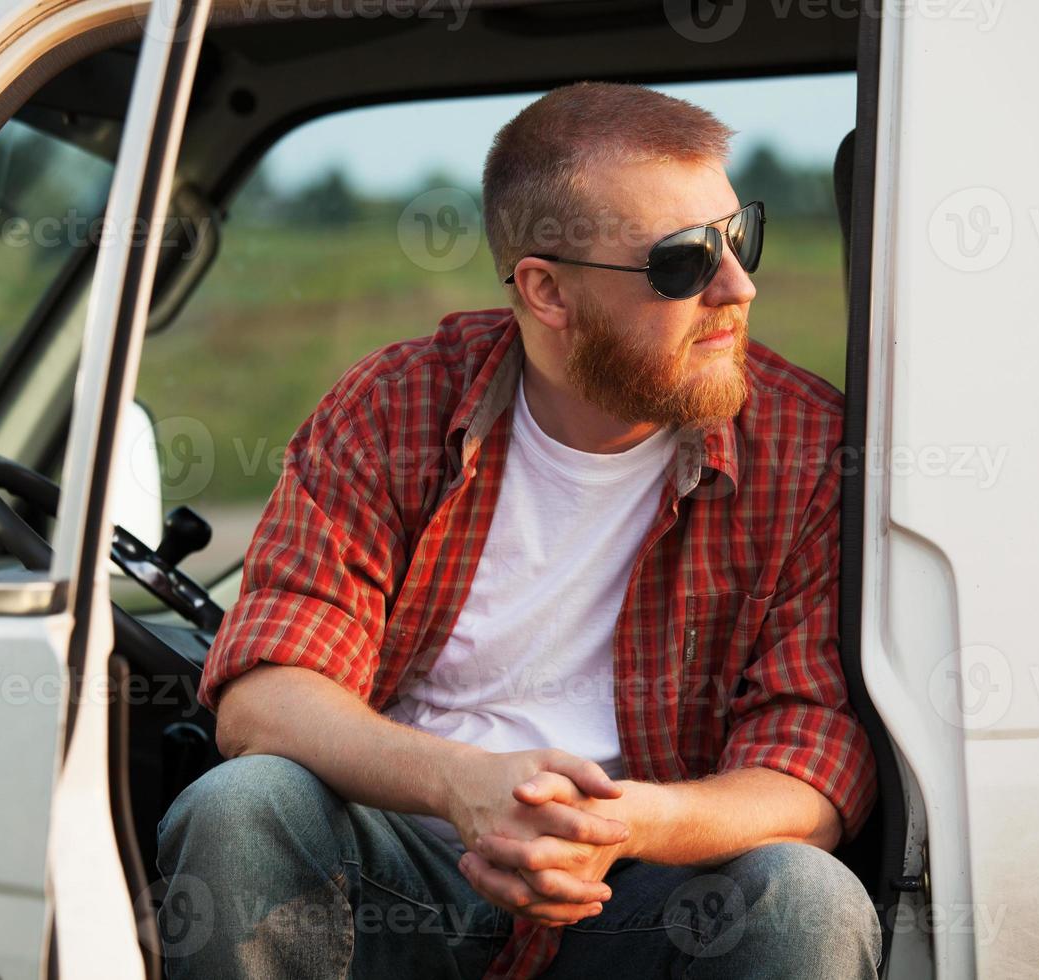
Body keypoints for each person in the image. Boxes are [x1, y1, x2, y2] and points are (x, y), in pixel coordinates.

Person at [156, 80, 880, 979]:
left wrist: (616, 827)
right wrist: (463, 789)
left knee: (805, 896)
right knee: (242, 805)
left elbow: (810, 774)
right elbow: (263, 698)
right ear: (546, 290)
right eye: (685, 263)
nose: (739, 285)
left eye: (742, 236)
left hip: (641, 897)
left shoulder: (810, 449)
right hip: (398, 881)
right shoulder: (394, 409)